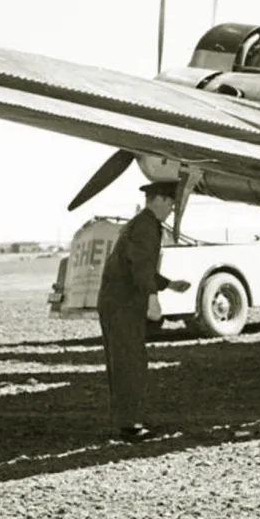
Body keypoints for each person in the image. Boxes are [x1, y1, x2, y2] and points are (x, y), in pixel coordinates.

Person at [97, 182, 191, 442]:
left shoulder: (140, 223)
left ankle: (128, 420)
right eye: (171, 203)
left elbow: (140, 266)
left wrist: (168, 284)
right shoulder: (148, 226)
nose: (172, 210)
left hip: (117, 303)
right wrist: (152, 298)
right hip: (124, 305)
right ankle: (131, 426)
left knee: (124, 362)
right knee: (130, 363)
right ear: (159, 199)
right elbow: (140, 266)